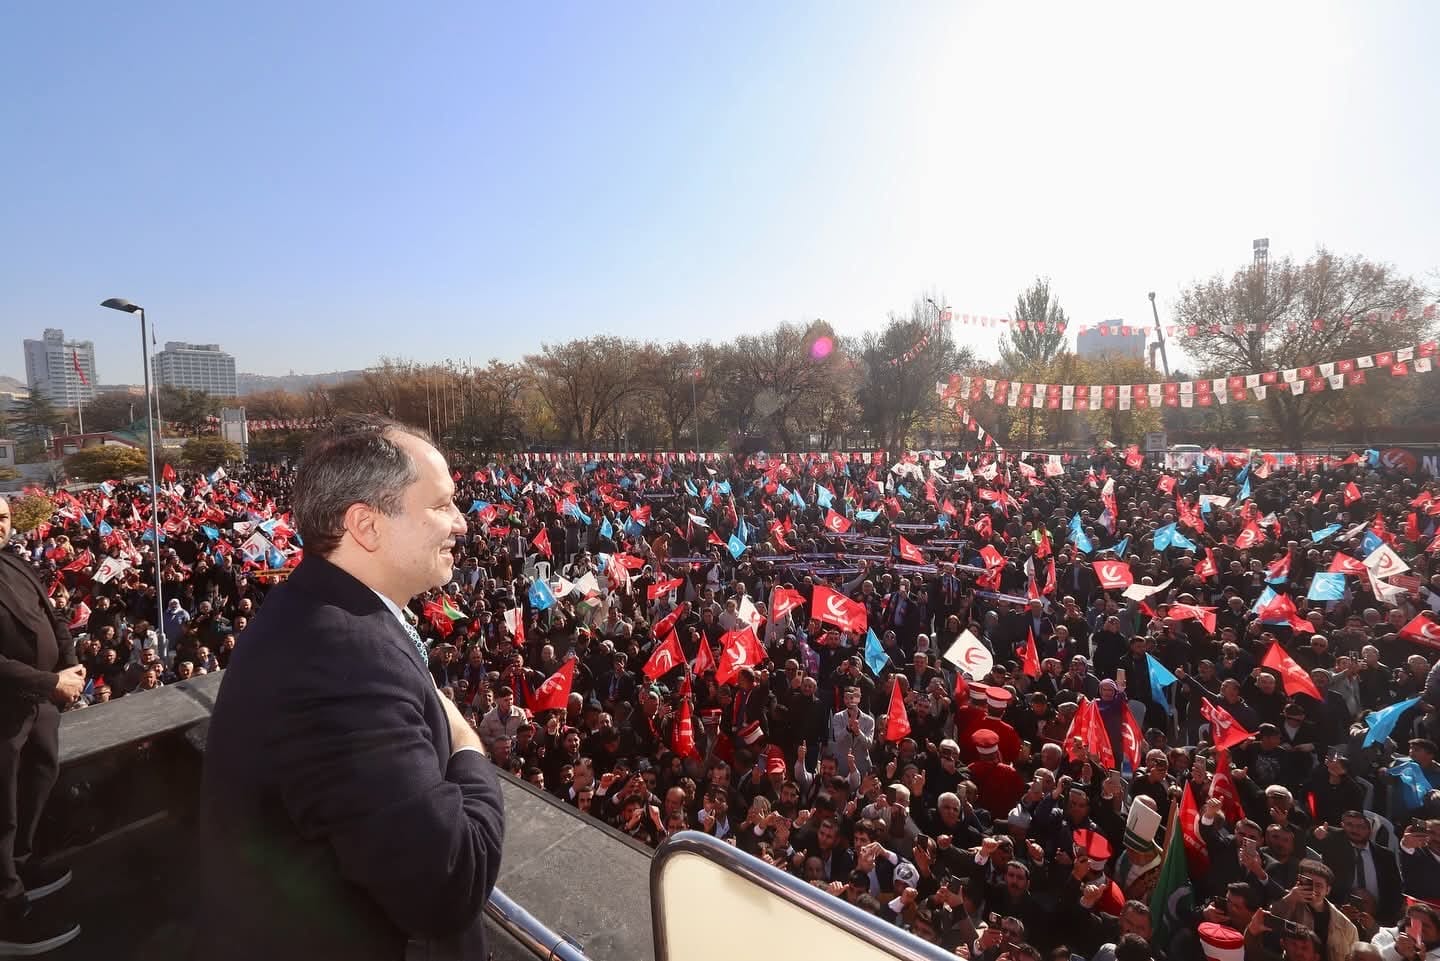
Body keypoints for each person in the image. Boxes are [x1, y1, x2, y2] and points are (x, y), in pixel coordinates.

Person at [194, 417, 505, 961]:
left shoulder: (319, 613)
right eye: (441, 504)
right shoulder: (344, 660)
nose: (461, 522)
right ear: (366, 525)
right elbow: (448, 883)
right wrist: (469, 748)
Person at [0, 495, 85, 955]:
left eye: (4, 517)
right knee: (2, 811)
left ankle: (21, 868)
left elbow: (54, 617)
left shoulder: (16, 562)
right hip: (4, 715)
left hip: (40, 708)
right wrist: (50, 680)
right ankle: (7, 915)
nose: (0, 525)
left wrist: (71, 665)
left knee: (35, 785)